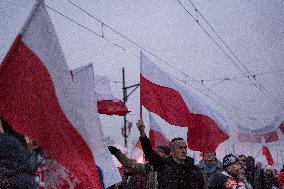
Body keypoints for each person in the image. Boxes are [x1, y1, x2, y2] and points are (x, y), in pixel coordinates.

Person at [136, 119, 204, 189]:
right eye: (180, 148)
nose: (184, 151)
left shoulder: (194, 169)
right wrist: (142, 133)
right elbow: (149, 152)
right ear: (172, 150)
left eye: (185, 148)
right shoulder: (163, 165)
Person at [0, 116, 36, 189]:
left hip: (15, 148)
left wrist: (29, 142)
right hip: (15, 148)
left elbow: (32, 164)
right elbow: (32, 165)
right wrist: (29, 142)